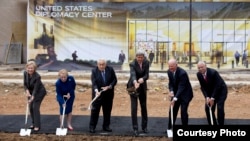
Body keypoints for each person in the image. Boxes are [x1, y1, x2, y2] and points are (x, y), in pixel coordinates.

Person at [89, 59, 117, 133]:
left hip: (108, 94)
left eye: (103, 64)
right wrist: (96, 91)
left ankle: (106, 126)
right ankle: (92, 127)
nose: (101, 66)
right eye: (100, 64)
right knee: (95, 111)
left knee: (107, 111)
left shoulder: (110, 69)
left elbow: (114, 80)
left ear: (105, 64)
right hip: (98, 95)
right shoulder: (94, 71)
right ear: (97, 65)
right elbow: (94, 82)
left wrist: (110, 86)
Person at [196, 61, 228, 125]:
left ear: (206, 66)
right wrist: (207, 97)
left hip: (221, 91)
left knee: (220, 107)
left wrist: (212, 98)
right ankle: (212, 123)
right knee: (208, 108)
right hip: (210, 92)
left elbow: (217, 86)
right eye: (199, 68)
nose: (200, 69)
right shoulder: (198, 74)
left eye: (202, 67)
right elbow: (203, 87)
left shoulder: (213, 72)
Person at [126, 50, 149, 136]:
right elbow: (133, 74)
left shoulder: (146, 62)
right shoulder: (132, 64)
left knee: (143, 107)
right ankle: (135, 128)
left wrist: (143, 79)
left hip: (142, 87)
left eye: (141, 57)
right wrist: (135, 82)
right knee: (134, 108)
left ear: (144, 57)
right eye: (138, 57)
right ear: (136, 57)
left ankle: (144, 127)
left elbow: (147, 74)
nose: (139, 59)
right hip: (133, 86)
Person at [166, 59, 193, 130]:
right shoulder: (169, 72)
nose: (170, 68)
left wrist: (175, 98)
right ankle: (170, 128)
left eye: (172, 66)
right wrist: (171, 91)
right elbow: (171, 83)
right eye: (169, 66)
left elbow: (181, 87)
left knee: (183, 111)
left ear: (176, 65)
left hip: (185, 94)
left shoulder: (182, 73)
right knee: (172, 110)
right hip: (176, 93)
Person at [23, 61, 47, 132]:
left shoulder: (37, 76)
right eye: (29, 68)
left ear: (34, 69)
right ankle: (33, 123)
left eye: (32, 68)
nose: (30, 70)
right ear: (26, 68)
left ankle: (37, 125)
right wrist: (27, 91)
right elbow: (25, 84)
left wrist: (32, 96)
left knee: (35, 107)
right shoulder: (25, 73)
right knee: (30, 107)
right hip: (30, 92)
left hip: (39, 92)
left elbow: (36, 89)